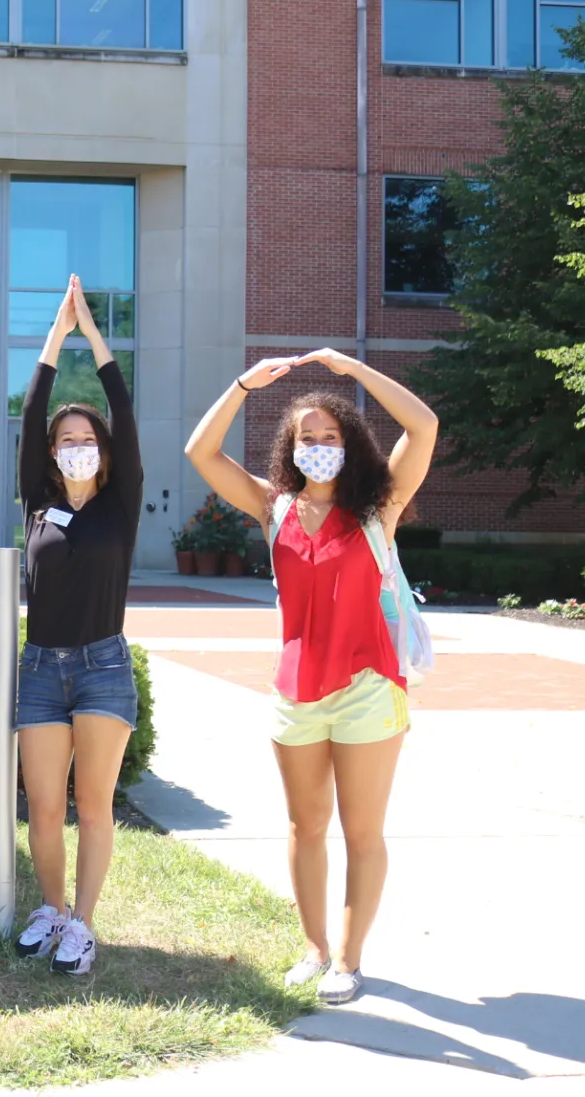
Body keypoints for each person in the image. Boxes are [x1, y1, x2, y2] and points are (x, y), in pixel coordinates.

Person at [184, 349, 437, 1004]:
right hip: (294, 690)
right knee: (303, 829)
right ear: (290, 449)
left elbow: (424, 425)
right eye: (307, 439)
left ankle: (348, 961)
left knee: (361, 832)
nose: (319, 447)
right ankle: (313, 949)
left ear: (348, 445)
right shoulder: (274, 509)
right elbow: (199, 452)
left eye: (329, 437)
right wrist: (242, 384)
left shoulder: (378, 506)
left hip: (368, 686)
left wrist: (353, 371)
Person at [12, 275, 142, 977]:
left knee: (92, 806)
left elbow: (121, 409)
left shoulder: (119, 505)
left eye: (85, 438)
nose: (74, 446)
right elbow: (29, 415)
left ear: (102, 449)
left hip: (100, 667)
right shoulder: (36, 500)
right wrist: (51, 342)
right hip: (39, 669)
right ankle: (51, 909)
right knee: (41, 808)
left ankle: (83, 925)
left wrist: (93, 339)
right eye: (65, 439)